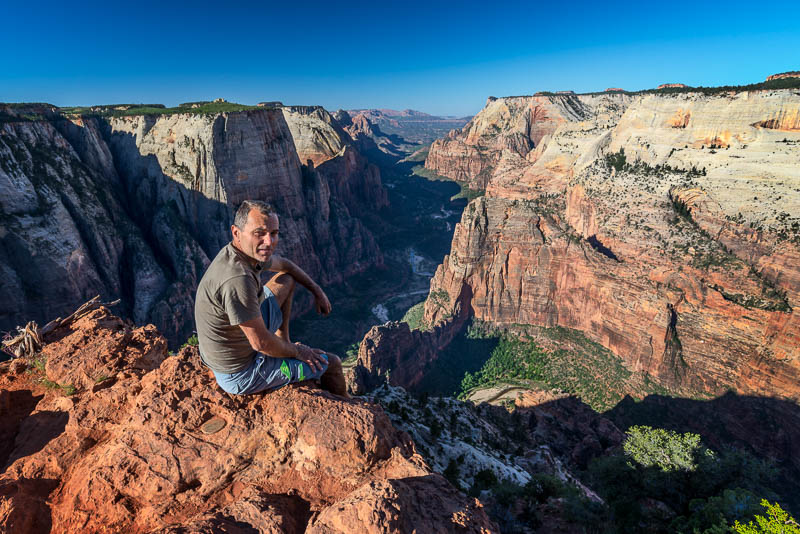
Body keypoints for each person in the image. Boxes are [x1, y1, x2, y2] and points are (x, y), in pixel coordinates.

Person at [194, 199, 348, 397]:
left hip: (234, 345)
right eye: (259, 233)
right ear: (236, 232)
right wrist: (296, 352)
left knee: (286, 280)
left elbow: (286, 266)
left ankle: (282, 339)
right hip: (241, 373)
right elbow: (261, 344)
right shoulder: (237, 278)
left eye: (274, 233)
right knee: (332, 363)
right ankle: (347, 401)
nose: (269, 242)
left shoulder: (242, 253)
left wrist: (316, 290)